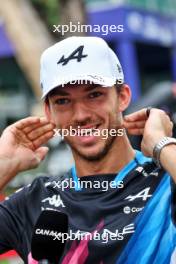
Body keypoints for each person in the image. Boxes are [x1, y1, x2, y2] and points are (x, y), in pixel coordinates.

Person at [0, 36, 176, 264]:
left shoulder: (166, 183)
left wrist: (161, 145)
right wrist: (3, 164)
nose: (81, 115)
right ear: (49, 111)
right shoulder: (34, 200)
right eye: (63, 101)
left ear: (122, 97)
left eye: (94, 95)